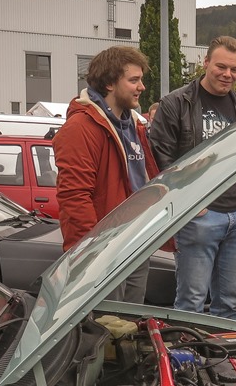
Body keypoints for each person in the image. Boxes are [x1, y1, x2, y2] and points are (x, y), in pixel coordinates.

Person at [149, 36, 236, 320]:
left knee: (229, 304)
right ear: (206, 62)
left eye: (235, 69)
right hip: (197, 217)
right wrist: (190, 205)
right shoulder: (176, 103)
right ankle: (189, 362)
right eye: (221, 66)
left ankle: (221, 362)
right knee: (191, 303)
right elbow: (163, 159)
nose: (228, 74)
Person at [54, 45, 161, 302]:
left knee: (130, 326)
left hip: (135, 241)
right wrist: (89, 256)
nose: (142, 87)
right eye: (134, 80)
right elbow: (74, 197)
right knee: (106, 325)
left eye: (141, 80)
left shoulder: (133, 124)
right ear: (111, 83)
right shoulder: (80, 128)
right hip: (104, 250)